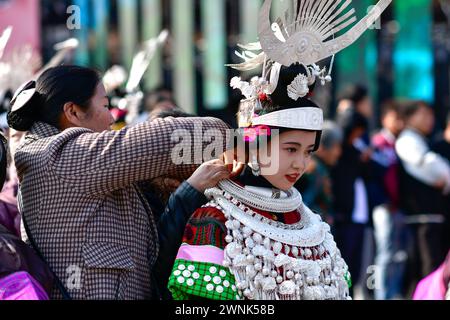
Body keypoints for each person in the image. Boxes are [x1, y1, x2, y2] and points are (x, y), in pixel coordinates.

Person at [7, 65, 230, 300]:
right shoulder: (62, 156)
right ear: (72, 112)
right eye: (104, 106)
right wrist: (232, 136)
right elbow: (167, 138)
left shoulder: (57, 159)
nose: (112, 117)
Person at [167, 62, 351, 300]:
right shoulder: (216, 219)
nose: (300, 164)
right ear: (256, 145)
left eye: (308, 152)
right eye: (291, 149)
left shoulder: (310, 223)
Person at [395, 100, 450, 296]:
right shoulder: (408, 140)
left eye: (431, 115)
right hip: (421, 217)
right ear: (409, 117)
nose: (430, 119)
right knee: (427, 269)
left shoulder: (421, 140)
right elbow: (433, 169)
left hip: (430, 217)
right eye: (424, 114)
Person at [371, 100, 407, 300]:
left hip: (398, 206)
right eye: (395, 118)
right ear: (385, 119)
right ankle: (381, 294)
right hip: (382, 206)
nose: (399, 123)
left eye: (401, 119)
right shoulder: (377, 143)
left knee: (399, 253)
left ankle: (394, 293)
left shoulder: (400, 144)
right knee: (384, 251)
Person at [295, 120, 343, 226]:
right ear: (322, 147)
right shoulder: (313, 169)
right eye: (336, 146)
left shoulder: (321, 169)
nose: (339, 152)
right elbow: (306, 204)